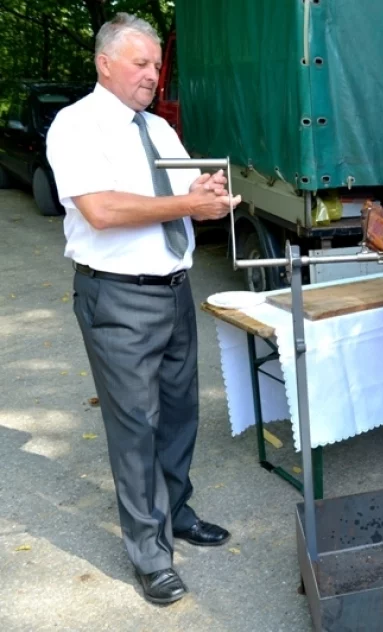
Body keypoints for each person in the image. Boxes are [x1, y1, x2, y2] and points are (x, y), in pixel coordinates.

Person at [46, 13, 241, 604]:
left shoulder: (157, 128)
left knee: (181, 415)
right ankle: (151, 554)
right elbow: (100, 210)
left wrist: (202, 196)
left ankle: (175, 512)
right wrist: (183, 202)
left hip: (173, 288)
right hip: (118, 296)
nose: (153, 75)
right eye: (141, 63)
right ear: (105, 63)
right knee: (135, 427)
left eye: (157, 65)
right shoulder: (75, 125)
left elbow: (177, 198)